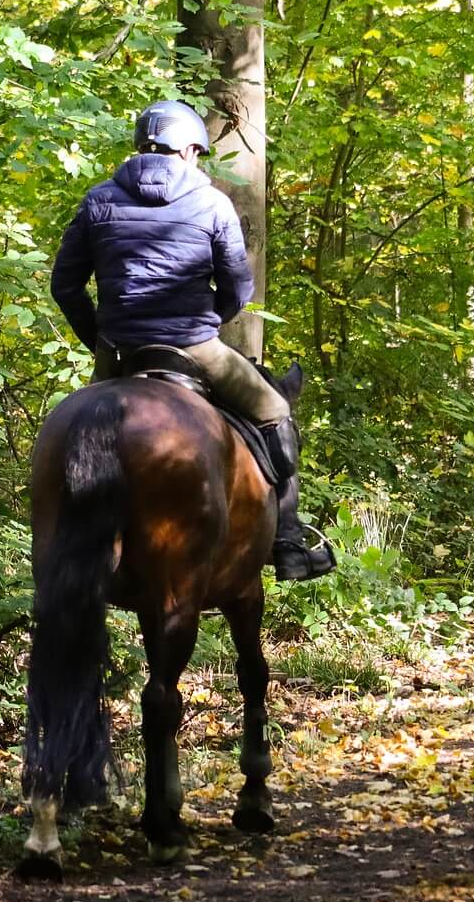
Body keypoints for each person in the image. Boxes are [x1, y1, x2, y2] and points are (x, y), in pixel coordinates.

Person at [49, 99, 336, 583]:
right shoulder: (211, 203)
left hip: (119, 350)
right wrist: (208, 324)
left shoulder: (99, 200)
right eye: (198, 152)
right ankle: (287, 540)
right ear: (186, 149)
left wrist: (97, 338)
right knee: (275, 412)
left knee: (67, 430)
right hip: (194, 346)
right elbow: (239, 290)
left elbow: (66, 286)